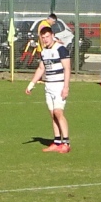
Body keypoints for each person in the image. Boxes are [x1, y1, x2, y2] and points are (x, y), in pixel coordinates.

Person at [24, 23, 72, 153]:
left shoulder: (60, 49)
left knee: (58, 112)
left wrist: (66, 87)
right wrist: (31, 84)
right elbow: (41, 68)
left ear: (52, 35)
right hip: (48, 85)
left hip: (59, 85)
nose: (45, 39)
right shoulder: (44, 51)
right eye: (43, 37)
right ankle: (57, 142)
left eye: (47, 36)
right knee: (53, 115)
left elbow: (67, 68)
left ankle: (66, 143)